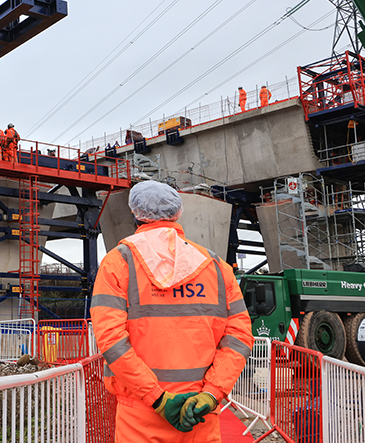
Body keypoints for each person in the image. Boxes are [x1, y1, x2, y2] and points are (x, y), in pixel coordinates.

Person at [91, 181, 253, 442]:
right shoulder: (217, 267)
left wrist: (158, 398)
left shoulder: (118, 262)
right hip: (199, 413)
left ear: (136, 213)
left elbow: (112, 343)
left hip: (141, 417)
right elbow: (239, 338)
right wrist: (210, 394)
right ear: (177, 213)